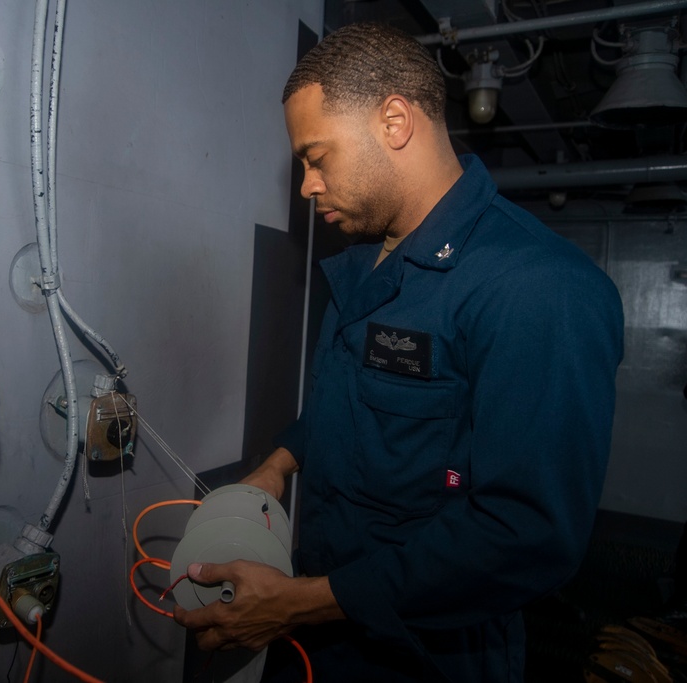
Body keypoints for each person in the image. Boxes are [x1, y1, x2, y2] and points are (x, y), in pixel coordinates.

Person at [173, 21, 624, 682]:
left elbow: (524, 536)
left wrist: (304, 603)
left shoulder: (539, 288)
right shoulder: (362, 267)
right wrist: (278, 464)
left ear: (394, 121)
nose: (305, 185)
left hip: (427, 655)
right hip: (318, 635)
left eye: (317, 156)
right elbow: (350, 406)